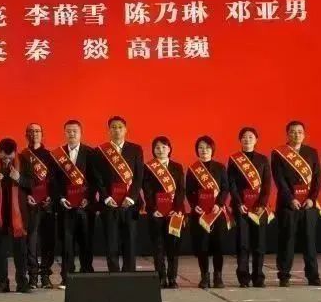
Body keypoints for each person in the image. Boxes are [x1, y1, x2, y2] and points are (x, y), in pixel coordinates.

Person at [272, 121, 321, 287]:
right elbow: (279, 179)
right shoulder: (279, 153)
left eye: (300, 132)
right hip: (288, 205)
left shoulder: (311, 152)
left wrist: (312, 198)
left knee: (310, 241)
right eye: (293, 132)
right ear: (287, 134)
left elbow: (317, 178)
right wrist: (290, 199)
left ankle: (313, 275)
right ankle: (284, 275)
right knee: (287, 240)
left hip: (308, 205)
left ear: (304, 134)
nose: (296, 135)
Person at [49, 120, 97, 288]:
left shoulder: (90, 153)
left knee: (86, 242)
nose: (71, 134)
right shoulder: (58, 155)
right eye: (68, 131)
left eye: (75, 131)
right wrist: (61, 198)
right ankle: (67, 277)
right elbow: (53, 181)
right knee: (67, 244)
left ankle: (87, 275)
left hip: (85, 207)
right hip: (66, 207)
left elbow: (95, 180)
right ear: (65, 133)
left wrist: (88, 198)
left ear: (81, 133)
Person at [96, 116, 144, 273]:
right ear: (109, 130)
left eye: (120, 127)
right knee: (111, 243)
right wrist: (106, 197)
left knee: (130, 242)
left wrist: (131, 197)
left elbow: (139, 176)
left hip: (130, 204)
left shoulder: (136, 149)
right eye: (113, 127)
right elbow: (98, 178)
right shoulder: (100, 151)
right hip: (110, 204)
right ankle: (114, 275)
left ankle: (129, 275)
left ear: (125, 130)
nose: (117, 130)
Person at [227, 127, 273, 288]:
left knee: (259, 244)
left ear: (256, 140)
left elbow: (267, 184)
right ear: (240, 140)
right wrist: (238, 203)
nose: (247, 139)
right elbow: (231, 184)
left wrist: (262, 204)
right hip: (241, 208)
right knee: (243, 244)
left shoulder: (263, 159)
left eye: (251, 137)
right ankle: (243, 278)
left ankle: (258, 277)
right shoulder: (234, 159)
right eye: (244, 137)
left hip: (259, 208)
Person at [0, 138, 32, 293]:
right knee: (0, 252)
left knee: (20, 251)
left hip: (18, 215)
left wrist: (19, 178)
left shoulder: (24, 161)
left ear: (15, 152)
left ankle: (22, 282)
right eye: (4, 157)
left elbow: (32, 184)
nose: (7, 159)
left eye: (10, 156)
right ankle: (3, 283)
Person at [187, 136, 230, 289]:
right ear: (197, 150)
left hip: (217, 213)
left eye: (207, 147)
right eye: (200, 147)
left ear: (212, 149)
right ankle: (204, 276)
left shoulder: (220, 167)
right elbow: (189, 192)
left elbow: (225, 188)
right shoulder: (192, 169)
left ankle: (218, 276)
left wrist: (219, 204)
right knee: (202, 247)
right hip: (200, 214)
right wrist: (194, 206)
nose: (204, 150)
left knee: (218, 246)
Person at [142, 136, 185, 289]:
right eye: (157, 147)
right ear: (153, 150)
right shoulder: (148, 167)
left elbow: (181, 190)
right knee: (158, 246)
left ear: (169, 149)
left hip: (174, 213)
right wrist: (154, 209)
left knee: (173, 247)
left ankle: (172, 278)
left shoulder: (177, 167)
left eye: (164, 147)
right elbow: (147, 191)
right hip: (156, 214)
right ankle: (161, 277)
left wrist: (176, 209)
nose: (160, 150)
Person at [22, 123, 56, 289]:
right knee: (32, 241)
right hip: (31, 205)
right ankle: (33, 276)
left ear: (42, 134)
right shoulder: (22, 156)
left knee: (48, 241)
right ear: (26, 135)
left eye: (37, 131)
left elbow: (55, 180)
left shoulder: (50, 156)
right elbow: (20, 180)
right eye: (31, 131)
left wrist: (51, 196)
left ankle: (45, 275)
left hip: (47, 204)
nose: (34, 134)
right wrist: (26, 196)